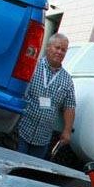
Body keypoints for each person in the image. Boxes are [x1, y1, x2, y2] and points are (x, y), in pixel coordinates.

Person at [16, 32, 75, 160]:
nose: (60, 52)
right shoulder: (33, 66)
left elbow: (70, 106)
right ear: (48, 47)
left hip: (43, 139)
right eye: (57, 47)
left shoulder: (67, 80)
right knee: (14, 165)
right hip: (21, 130)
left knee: (32, 172)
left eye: (63, 50)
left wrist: (67, 131)